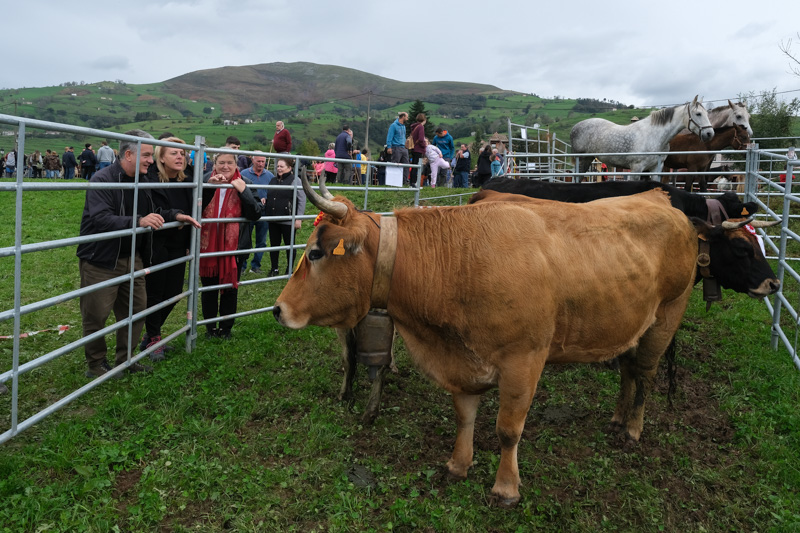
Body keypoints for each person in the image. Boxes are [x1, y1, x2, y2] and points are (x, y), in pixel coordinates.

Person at [77, 129, 199, 378]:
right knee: (96, 314)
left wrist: (174, 215)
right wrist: (139, 220)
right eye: (146, 155)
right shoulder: (103, 180)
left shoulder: (143, 183)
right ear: (129, 154)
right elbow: (100, 219)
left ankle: (127, 360)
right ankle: (96, 364)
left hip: (132, 257)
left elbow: (156, 209)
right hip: (101, 259)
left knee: (136, 310)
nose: (151, 160)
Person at [139, 137, 202, 361]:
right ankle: (153, 338)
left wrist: (211, 185)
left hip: (179, 245)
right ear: (161, 157)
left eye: (183, 154)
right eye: (174, 153)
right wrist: (175, 215)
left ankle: (150, 336)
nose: (180, 157)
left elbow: (198, 203)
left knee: (174, 293)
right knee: (156, 293)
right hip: (157, 245)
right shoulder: (151, 180)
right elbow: (154, 209)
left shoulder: (190, 179)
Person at [199, 151, 261, 339]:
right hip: (207, 246)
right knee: (208, 289)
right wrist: (209, 187)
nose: (225, 167)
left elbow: (256, 214)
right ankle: (210, 328)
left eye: (229, 163)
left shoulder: (246, 183)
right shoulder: (204, 180)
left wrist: (244, 193)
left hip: (234, 247)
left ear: (236, 165)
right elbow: (195, 208)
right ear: (214, 164)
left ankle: (226, 329)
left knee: (229, 289)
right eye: (221, 162)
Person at [264, 158, 307, 277]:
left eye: (281, 166)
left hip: (288, 219)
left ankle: (290, 268)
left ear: (289, 168)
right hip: (273, 218)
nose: (279, 168)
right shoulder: (273, 180)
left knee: (290, 244)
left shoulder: (295, 180)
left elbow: (302, 200)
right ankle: (274, 268)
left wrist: (298, 218)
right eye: (278, 166)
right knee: (274, 244)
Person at [240, 153, 273, 274]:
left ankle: (256, 266)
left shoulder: (269, 176)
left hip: (264, 212)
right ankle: (242, 266)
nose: (261, 164)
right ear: (252, 160)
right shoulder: (244, 174)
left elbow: (274, 193)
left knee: (262, 240)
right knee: (245, 239)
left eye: (263, 162)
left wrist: (267, 199)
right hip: (248, 211)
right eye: (258, 161)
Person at [386, 112, 410, 184]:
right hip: (396, 147)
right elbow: (389, 136)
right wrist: (389, 147)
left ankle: (404, 181)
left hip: (404, 148)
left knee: (406, 165)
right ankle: (393, 182)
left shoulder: (403, 126)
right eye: (406, 117)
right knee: (395, 165)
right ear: (403, 117)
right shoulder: (393, 126)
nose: (407, 118)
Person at [408, 114, 428, 187]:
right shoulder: (421, 127)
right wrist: (424, 146)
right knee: (417, 166)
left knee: (414, 165)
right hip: (419, 149)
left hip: (413, 148)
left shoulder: (414, 127)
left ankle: (411, 182)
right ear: (424, 120)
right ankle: (414, 183)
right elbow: (421, 139)